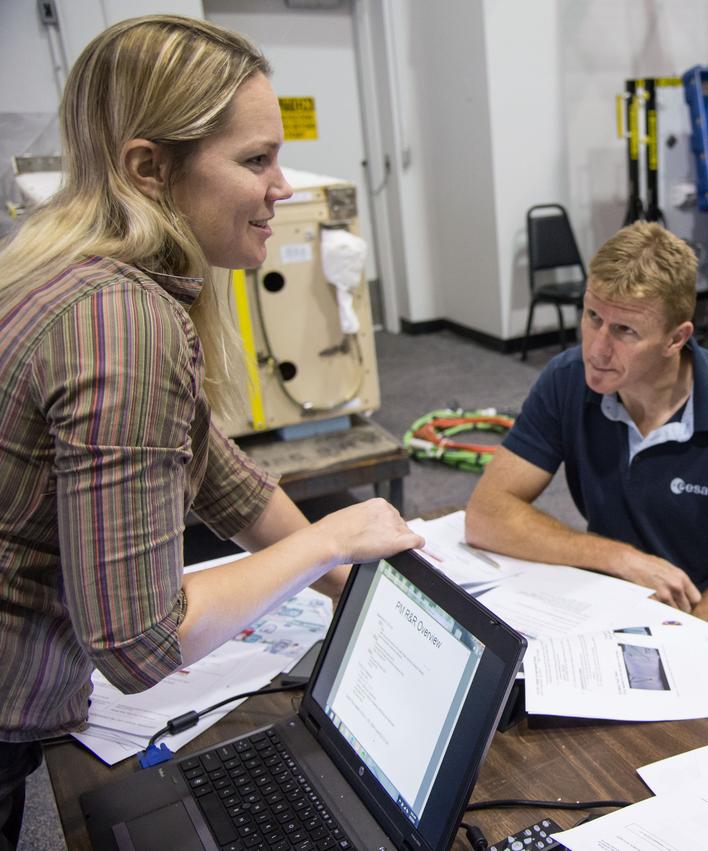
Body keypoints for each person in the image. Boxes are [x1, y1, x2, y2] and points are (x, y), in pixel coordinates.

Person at [0, 16, 423, 848]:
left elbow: (216, 471)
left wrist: (351, 586)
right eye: (254, 160)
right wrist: (329, 539)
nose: (283, 186)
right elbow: (138, 642)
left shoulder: (76, 269)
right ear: (149, 169)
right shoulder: (121, 321)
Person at [465, 221, 708, 681]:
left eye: (625, 331)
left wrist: (674, 638)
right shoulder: (567, 378)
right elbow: (486, 514)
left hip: (701, 622)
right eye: (593, 317)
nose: (597, 348)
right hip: (597, 603)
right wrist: (618, 558)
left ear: (676, 339)